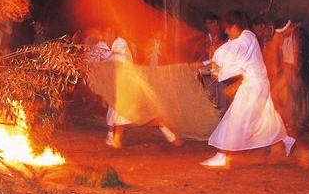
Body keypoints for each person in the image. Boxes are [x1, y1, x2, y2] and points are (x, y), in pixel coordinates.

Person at [200, 10, 295, 167]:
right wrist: (210, 65)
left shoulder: (246, 39)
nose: (225, 31)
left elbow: (232, 56)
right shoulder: (245, 39)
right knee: (266, 116)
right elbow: (233, 55)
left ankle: (222, 154)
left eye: (227, 28)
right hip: (256, 84)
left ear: (234, 26)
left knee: (235, 118)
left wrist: (215, 65)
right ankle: (287, 139)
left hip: (254, 86)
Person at [104, 26, 179, 148]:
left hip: (130, 82)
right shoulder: (105, 46)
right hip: (125, 82)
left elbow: (117, 60)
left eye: (111, 32)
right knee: (117, 110)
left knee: (135, 112)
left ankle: (116, 138)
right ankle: (112, 136)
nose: (109, 35)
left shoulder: (121, 45)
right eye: (107, 32)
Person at [200, 13, 230, 113]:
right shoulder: (207, 37)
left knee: (222, 95)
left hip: (221, 70)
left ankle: (223, 113)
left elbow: (221, 57)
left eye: (210, 24)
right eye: (206, 24)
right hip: (211, 69)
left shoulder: (224, 37)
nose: (208, 27)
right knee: (211, 92)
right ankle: (214, 111)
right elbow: (206, 54)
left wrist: (205, 64)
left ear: (216, 23)